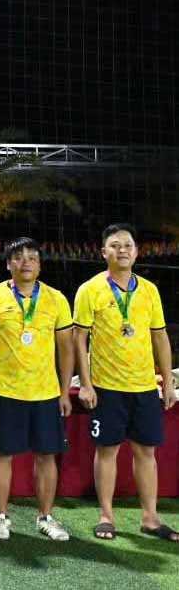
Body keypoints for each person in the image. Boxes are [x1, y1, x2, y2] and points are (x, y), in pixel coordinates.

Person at [73, 223, 178, 541]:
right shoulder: (90, 289)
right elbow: (80, 340)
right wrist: (87, 384)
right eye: (115, 245)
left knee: (147, 452)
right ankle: (106, 516)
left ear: (136, 251)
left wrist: (168, 382)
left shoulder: (149, 290)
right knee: (107, 451)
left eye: (128, 245)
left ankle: (150, 517)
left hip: (145, 387)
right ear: (103, 252)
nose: (122, 250)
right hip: (107, 388)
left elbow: (159, 338)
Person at [0, 237, 74, 541]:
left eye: (32, 257)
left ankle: (46, 517)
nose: (25, 262)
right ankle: (0, 516)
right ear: (8, 264)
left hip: (45, 393)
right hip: (6, 392)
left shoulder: (56, 299)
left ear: (39, 264)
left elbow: (65, 349)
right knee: (2, 454)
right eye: (18, 257)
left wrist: (65, 391)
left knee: (47, 456)